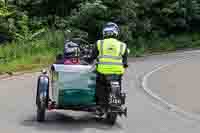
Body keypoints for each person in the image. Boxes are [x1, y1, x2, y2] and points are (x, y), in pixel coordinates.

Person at [90, 22, 129, 108]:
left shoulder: (99, 43)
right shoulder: (123, 45)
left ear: (104, 32)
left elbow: (92, 57)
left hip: (102, 72)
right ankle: (117, 102)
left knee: (99, 86)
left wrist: (89, 60)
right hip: (117, 73)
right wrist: (124, 65)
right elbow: (125, 62)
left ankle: (100, 104)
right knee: (118, 83)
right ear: (116, 32)